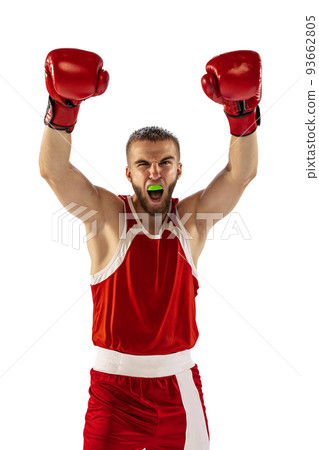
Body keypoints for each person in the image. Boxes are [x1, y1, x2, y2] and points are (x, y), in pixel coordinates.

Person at [39, 47, 262, 450]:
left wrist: (242, 113)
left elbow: (240, 174)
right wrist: (63, 106)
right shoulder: (106, 216)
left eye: (164, 162)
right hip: (114, 393)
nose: (155, 171)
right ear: (129, 172)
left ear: (179, 169)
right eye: (144, 164)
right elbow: (54, 172)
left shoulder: (192, 220)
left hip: (179, 389)